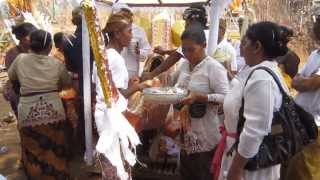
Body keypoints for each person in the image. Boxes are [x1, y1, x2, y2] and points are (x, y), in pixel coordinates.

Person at [217, 21, 290, 180]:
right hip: (243, 156)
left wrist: (236, 170)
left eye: (244, 44)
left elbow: (254, 130)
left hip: (250, 164)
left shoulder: (262, 78)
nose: (241, 51)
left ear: (257, 47)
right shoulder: (259, 70)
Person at [8, 29, 72, 179]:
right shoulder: (56, 63)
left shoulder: (20, 59)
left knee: (33, 154)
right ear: (50, 46)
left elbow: (13, 79)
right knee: (56, 150)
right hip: (53, 112)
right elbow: (66, 83)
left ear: (30, 43)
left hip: (27, 113)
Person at [94, 13, 150, 180]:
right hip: (112, 116)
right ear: (117, 34)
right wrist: (140, 86)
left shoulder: (104, 54)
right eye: (129, 31)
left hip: (104, 114)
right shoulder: (116, 58)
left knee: (112, 161)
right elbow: (116, 95)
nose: (131, 36)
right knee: (117, 163)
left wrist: (131, 85)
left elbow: (103, 88)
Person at [171, 24, 229, 180]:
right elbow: (172, 85)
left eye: (191, 49)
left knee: (202, 174)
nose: (187, 54)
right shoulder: (184, 65)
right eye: (184, 50)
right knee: (186, 173)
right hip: (185, 136)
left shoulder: (214, 68)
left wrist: (201, 97)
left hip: (205, 137)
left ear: (204, 46)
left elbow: (226, 97)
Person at [142, 4, 237, 81]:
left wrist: (152, 74)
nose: (185, 25)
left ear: (193, 20)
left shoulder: (196, 35)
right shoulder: (207, 33)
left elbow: (176, 56)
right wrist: (165, 52)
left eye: (186, 22)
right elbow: (181, 51)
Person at [283, 13, 320, 180]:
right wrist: (306, 80)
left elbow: (307, 84)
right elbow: (296, 80)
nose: (315, 27)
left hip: (315, 125)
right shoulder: (315, 55)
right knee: (296, 168)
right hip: (300, 121)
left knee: (308, 171)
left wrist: (307, 81)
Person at [3, 23, 37, 117]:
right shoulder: (12, 54)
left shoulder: (36, 51)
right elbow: (16, 78)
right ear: (21, 38)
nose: (33, 39)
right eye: (30, 36)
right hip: (21, 96)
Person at [111, 2, 151, 79]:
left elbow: (146, 53)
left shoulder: (138, 30)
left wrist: (138, 51)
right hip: (113, 70)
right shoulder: (108, 29)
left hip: (131, 73)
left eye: (126, 14)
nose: (131, 35)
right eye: (121, 15)